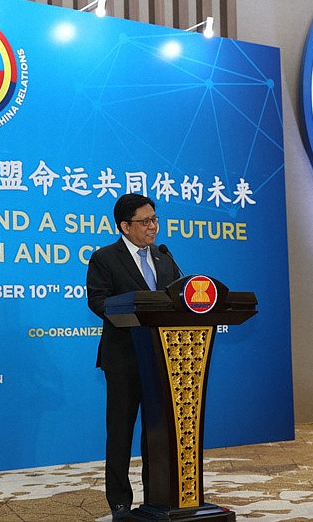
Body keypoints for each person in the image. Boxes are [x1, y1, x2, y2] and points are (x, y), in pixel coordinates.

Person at [86, 193, 181, 520]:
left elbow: (177, 297)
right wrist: (134, 308)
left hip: (160, 359)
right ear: (125, 226)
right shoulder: (105, 258)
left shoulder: (164, 257)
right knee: (121, 433)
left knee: (157, 434)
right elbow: (97, 301)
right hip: (124, 358)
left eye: (155, 219)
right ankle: (120, 503)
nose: (153, 226)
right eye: (145, 221)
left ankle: (157, 496)